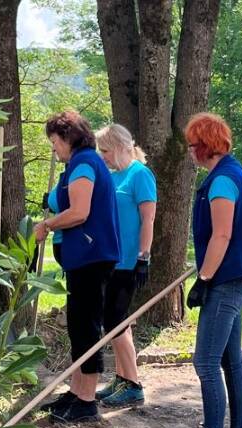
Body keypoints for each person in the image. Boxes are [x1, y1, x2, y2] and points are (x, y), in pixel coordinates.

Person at [175, 112, 242, 428]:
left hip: (227, 281)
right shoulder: (231, 173)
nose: (190, 152)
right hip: (235, 278)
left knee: (206, 362)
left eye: (193, 145)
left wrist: (204, 278)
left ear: (205, 145)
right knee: (230, 360)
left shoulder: (223, 181)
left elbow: (222, 236)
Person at [35, 110, 121, 424]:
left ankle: (87, 401)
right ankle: (76, 391)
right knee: (77, 325)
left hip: (92, 256)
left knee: (86, 327)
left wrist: (47, 224)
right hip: (82, 258)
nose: (54, 148)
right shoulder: (79, 163)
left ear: (68, 138)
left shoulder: (85, 163)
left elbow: (80, 211)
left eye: (55, 141)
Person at [92, 124, 158, 408]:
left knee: (116, 320)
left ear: (120, 147)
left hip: (130, 261)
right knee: (115, 321)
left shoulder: (140, 175)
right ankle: (121, 378)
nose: (102, 156)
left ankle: (133, 385)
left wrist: (143, 257)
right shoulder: (113, 175)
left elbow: (148, 220)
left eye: (105, 151)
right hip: (110, 259)